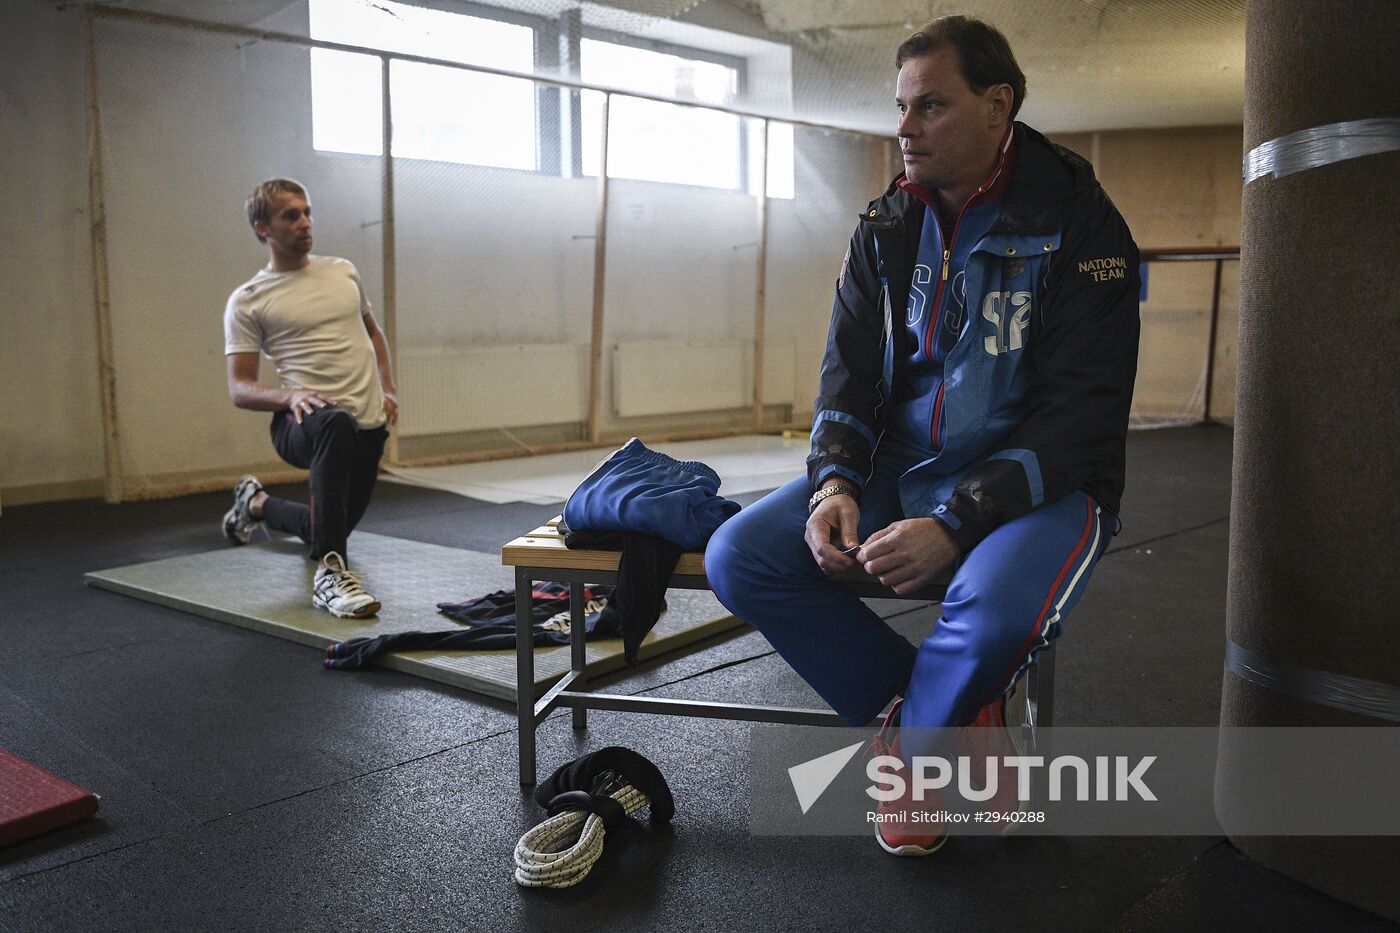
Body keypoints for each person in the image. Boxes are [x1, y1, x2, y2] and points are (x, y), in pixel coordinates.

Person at [705, 16, 1140, 855]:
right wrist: (834, 483)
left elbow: (1082, 414)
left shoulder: (1082, 223)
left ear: (996, 105)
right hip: (904, 464)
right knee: (741, 554)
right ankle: (941, 710)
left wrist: (959, 523)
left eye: (930, 107)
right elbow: (849, 377)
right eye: (901, 107)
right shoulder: (885, 227)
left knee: (992, 603)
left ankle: (912, 755)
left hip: (1044, 479)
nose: (903, 128)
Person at [221, 178, 400, 619]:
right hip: (301, 423)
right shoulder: (248, 300)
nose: (305, 223)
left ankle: (256, 504)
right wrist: (290, 394)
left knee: (333, 525)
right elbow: (240, 387)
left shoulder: (342, 270)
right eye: (290, 215)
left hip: (365, 422)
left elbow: (374, 334)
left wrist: (388, 388)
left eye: (307, 212)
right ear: (263, 229)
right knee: (334, 422)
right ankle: (330, 574)